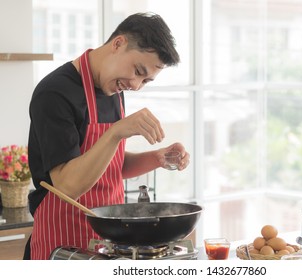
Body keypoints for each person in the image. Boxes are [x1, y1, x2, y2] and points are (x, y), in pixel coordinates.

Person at [25, 12, 190, 260]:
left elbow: (112, 165)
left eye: (145, 80)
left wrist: (157, 158)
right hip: (63, 242)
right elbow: (68, 186)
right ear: (118, 44)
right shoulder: (54, 93)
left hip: (109, 241)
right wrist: (116, 132)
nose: (135, 85)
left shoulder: (113, 88)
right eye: (137, 70)